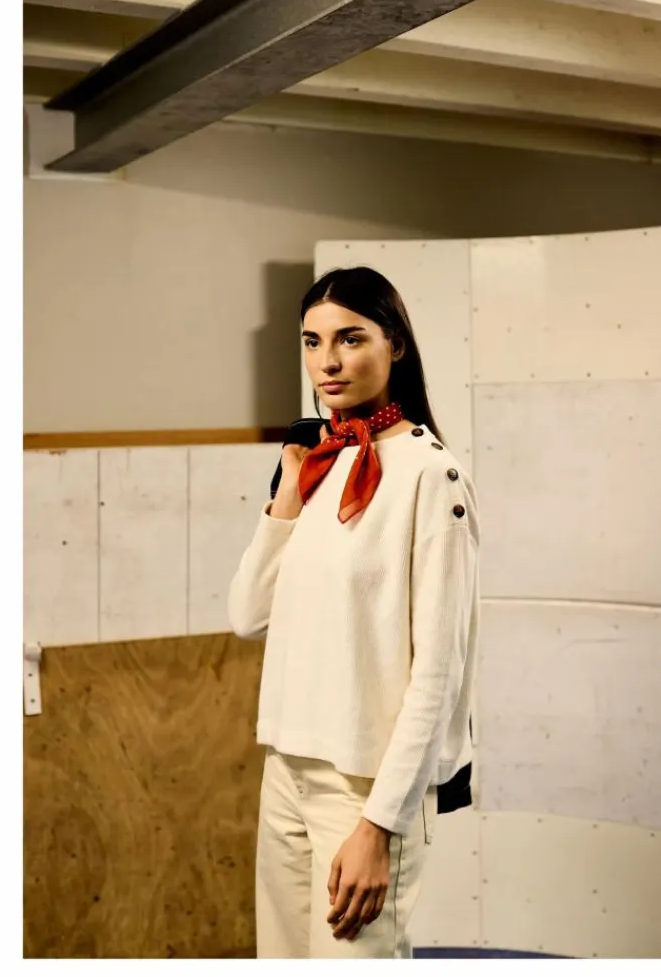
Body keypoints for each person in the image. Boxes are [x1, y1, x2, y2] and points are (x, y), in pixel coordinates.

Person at [227, 266, 480, 959]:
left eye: (350, 338)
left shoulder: (431, 477)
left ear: (395, 344)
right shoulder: (317, 461)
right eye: (312, 342)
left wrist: (380, 824)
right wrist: (288, 488)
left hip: (364, 788)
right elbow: (247, 614)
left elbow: (439, 675)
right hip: (287, 768)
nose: (327, 362)